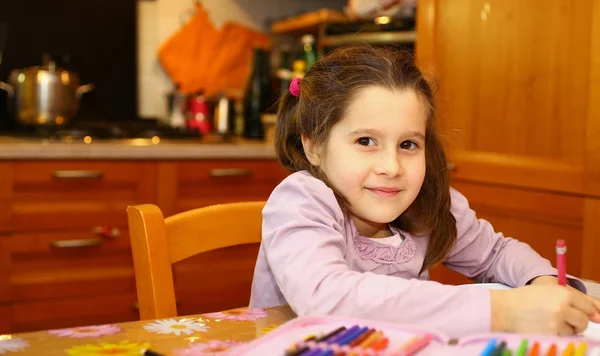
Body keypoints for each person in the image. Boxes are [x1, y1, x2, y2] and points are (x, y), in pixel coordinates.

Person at [249, 45, 600, 337]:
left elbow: (495, 254)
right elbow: (327, 296)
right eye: (366, 141)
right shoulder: (302, 201)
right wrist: (502, 311)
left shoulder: (424, 202)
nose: (392, 167)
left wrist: (541, 281)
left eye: (408, 144)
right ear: (313, 146)